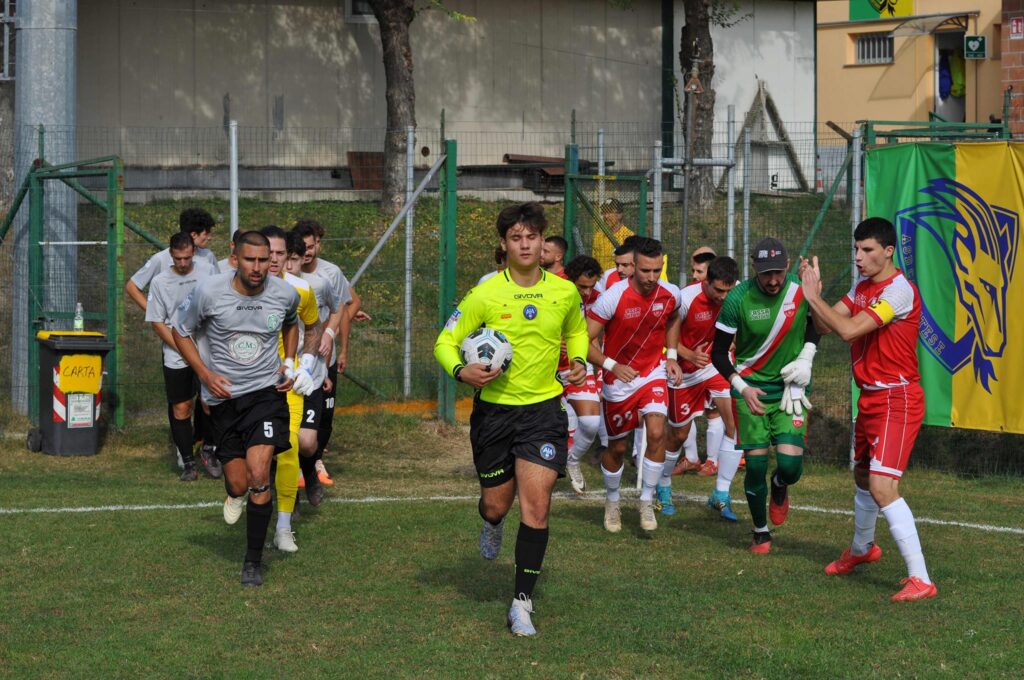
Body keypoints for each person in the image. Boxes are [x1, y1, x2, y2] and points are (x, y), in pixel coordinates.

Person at [434, 202, 588, 637]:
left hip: (543, 412)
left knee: (536, 507)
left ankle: (522, 602)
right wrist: (461, 370)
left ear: (544, 244)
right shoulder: (485, 294)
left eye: (532, 237)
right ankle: (492, 522)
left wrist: (577, 358)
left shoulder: (564, 291)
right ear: (505, 245)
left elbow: (577, 329)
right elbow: (446, 341)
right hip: (494, 414)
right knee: (497, 503)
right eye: (516, 237)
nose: (525, 244)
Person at [800, 217, 937, 602]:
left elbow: (848, 330)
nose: (858, 257)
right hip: (870, 397)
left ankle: (921, 579)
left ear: (889, 251)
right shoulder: (863, 285)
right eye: (856, 249)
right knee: (863, 475)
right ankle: (862, 550)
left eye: (867, 250)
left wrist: (814, 299)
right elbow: (828, 326)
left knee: (882, 486)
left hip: (898, 397)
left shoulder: (899, 292)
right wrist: (817, 299)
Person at [172, 230, 305, 587]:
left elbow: (293, 322)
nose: (259, 267)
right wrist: (204, 374)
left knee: (260, 474)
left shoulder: (284, 293)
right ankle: (235, 494)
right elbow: (179, 331)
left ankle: (253, 561)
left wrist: (289, 362)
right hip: (224, 400)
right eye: (251, 260)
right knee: (239, 481)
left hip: (266, 394)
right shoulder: (208, 292)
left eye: (265, 260)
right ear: (234, 258)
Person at [710, 237, 820, 553]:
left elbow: (817, 325)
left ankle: (780, 485)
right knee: (755, 465)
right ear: (754, 270)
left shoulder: (800, 290)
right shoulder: (737, 299)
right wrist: (741, 386)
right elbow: (718, 352)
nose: (773, 280)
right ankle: (760, 532)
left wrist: (806, 357)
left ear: (787, 266)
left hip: (791, 390)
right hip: (750, 391)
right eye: (765, 273)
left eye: (778, 273)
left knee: (789, 467)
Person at [586, 237, 683, 533]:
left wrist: (673, 356)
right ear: (633, 268)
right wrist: (612, 365)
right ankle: (613, 500)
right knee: (616, 448)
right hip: (618, 381)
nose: (652, 278)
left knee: (656, 432)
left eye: (657, 270)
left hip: (652, 373)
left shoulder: (671, 294)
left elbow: (674, 317)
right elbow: (583, 341)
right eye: (645, 271)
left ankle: (645, 500)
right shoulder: (612, 298)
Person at [658, 256, 741, 519]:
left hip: (716, 366)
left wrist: (732, 343)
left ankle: (720, 494)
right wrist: (685, 355)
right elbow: (666, 331)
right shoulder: (686, 298)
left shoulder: (735, 295)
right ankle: (663, 487)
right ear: (706, 282)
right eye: (718, 290)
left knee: (734, 425)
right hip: (685, 370)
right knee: (678, 435)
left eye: (728, 291)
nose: (723, 296)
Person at [259, 226, 323, 554]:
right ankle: (240, 490)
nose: (273, 260)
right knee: (246, 461)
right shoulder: (240, 290)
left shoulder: (301, 289)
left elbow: (313, 327)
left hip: (287, 385)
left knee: (288, 451)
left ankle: (283, 526)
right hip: (248, 384)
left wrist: (305, 365)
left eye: (280, 254)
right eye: (268, 253)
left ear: (289, 256)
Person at [144, 232, 218, 480]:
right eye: (178, 259)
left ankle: (209, 449)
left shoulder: (208, 271)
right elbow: (157, 322)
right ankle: (188, 463)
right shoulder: (160, 281)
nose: (183, 263)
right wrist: (182, 346)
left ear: (193, 253)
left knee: (210, 403)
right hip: (176, 355)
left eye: (187, 258)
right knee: (181, 407)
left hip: (208, 351)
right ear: (171, 255)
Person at [293, 220, 353, 493]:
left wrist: (330, 334)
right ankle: (295, 472)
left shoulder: (329, 274)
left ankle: (314, 462)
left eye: (310, 246)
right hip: (288, 364)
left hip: (319, 360)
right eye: (300, 248)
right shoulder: (283, 277)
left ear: (318, 244)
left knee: (321, 422)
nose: (306, 253)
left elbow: (342, 306)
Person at [561, 255, 604, 493]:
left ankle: (573, 460)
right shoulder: (555, 294)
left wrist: (600, 369)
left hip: (578, 365)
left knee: (590, 423)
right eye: (582, 287)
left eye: (591, 286)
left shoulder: (598, 299)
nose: (587, 293)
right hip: (545, 368)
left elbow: (593, 337)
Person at [125, 207, 220, 311]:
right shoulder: (160, 259)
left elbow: (218, 289)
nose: (210, 238)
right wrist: (154, 314)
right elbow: (132, 287)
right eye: (206, 234)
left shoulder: (208, 256)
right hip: (170, 327)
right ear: (193, 235)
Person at [592, 198, 635, 270]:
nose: (606, 216)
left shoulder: (629, 236)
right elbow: (594, 260)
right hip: (600, 278)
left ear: (619, 215)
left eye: (610, 212)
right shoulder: (598, 236)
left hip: (618, 278)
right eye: (604, 212)